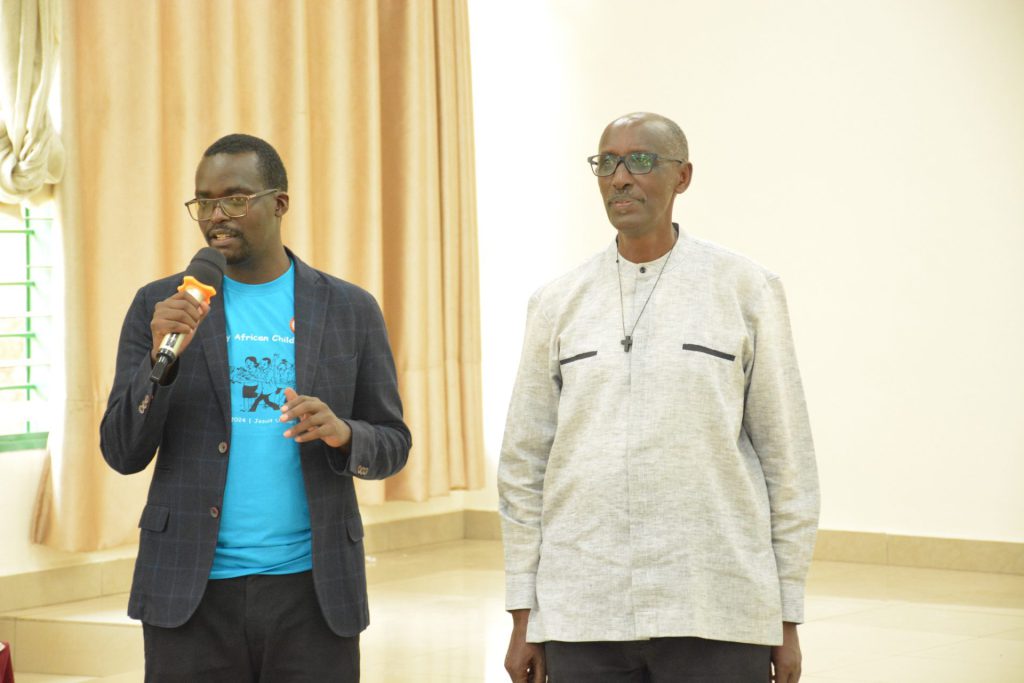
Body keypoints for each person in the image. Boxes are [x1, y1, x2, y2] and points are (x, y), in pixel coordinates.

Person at [498, 113, 819, 683]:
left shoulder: (747, 290)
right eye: (607, 163)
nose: (620, 177)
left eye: (641, 161)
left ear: (683, 177)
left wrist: (786, 614)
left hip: (716, 604)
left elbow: (786, 463)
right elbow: (523, 466)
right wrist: (525, 614)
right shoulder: (556, 303)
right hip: (583, 609)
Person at [100, 134, 411, 681]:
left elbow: (392, 441)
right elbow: (122, 450)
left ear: (279, 203)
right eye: (205, 202)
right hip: (189, 591)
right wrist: (161, 361)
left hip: (313, 593)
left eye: (236, 199)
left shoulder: (349, 308)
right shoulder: (161, 307)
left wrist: (344, 433)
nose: (216, 216)